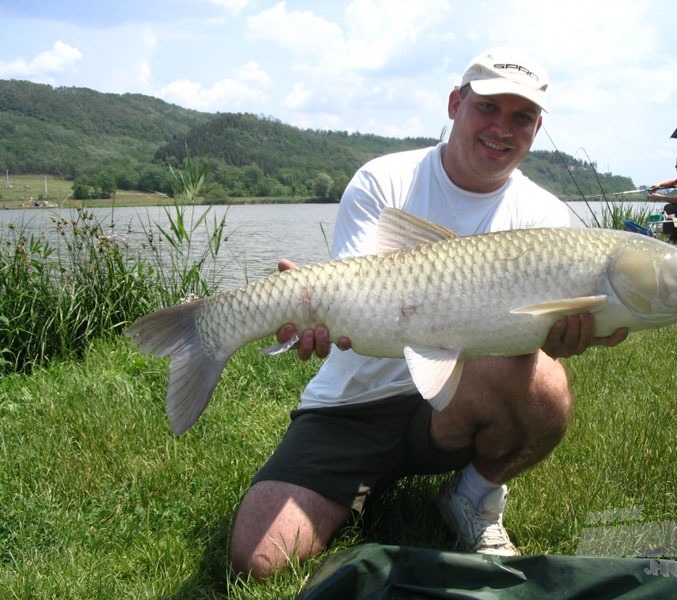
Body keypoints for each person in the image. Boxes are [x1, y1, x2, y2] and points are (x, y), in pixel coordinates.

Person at [228, 47, 629, 581]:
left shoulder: (548, 219)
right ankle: (361, 484)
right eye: (488, 108)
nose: (502, 129)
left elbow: (536, 331)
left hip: (454, 401)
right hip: (352, 403)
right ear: (455, 104)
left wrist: (567, 332)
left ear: (536, 128)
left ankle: (472, 496)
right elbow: (358, 297)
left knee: (548, 385)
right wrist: (312, 308)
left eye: (522, 117)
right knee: (257, 562)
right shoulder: (384, 179)